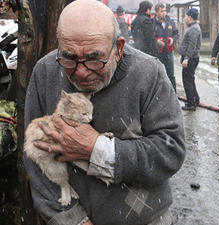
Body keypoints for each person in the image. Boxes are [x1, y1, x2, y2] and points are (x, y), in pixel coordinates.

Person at [23, 1, 185, 225]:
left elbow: (170, 151)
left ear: (118, 48)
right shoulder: (46, 71)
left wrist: (97, 150)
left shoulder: (149, 73)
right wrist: (72, 220)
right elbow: (33, 157)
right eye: (69, 58)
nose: (81, 71)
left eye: (94, 58)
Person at [152, 3, 179, 92]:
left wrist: (173, 39)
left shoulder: (170, 21)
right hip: (158, 53)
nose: (164, 13)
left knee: (170, 74)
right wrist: (156, 42)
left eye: (164, 11)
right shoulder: (152, 23)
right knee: (158, 74)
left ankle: (173, 93)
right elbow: (149, 38)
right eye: (161, 11)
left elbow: (176, 34)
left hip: (169, 52)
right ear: (156, 12)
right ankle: (159, 93)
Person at [179, 8, 202, 111]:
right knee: (190, 79)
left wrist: (187, 59)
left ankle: (191, 103)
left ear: (190, 17)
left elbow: (192, 46)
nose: (184, 18)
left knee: (187, 80)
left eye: (185, 16)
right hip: (191, 58)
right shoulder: (193, 27)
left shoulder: (193, 29)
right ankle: (195, 99)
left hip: (191, 58)